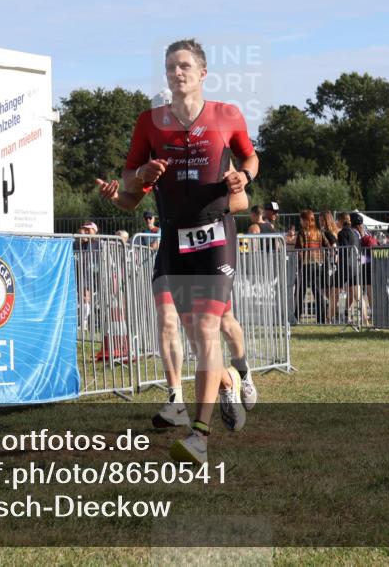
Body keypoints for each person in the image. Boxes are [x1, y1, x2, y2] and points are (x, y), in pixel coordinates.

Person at [122, 38, 259, 464]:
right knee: (194, 335)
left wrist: (243, 178)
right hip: (174, 239)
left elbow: (251, 159)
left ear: (202, 73)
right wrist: (142, 173)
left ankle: (199, 435)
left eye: (184, 66)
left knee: (206, 326)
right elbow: (128, 180)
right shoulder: (149, 122)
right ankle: (227, 382)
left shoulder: (227, 115)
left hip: (216, 235)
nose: (176, 73)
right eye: (170, 67)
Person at [94, 174, 258, 430]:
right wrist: (115, 196)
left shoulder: (214, 153)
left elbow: (240, 201)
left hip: (210, 246)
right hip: (171, 248)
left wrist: (199, 209)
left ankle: (240, 370)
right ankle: (177, 401)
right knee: (168, 321)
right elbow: (131, 200)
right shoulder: (159, 157)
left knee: (222, 324)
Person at [294, 209, 330, 324]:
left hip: (306, 264)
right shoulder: (319, 232)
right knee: (318, 292)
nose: (300, 222)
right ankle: (321, 319)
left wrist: (299, 262)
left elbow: (299, 249)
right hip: (318, 264)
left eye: (301, 219)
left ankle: (296, 317)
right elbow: (327, 245)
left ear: (306, 220)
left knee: (301, 292)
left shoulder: (302, 232)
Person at [320, 211, 342, 323]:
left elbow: (334, 246)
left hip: (330, 263)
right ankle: (335, 311)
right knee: (328, 289)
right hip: (331, 263)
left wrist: (333, 258)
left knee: (327, 289)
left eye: (321, 219)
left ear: (325, 220)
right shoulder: (332, 231)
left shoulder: (327, 232)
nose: (319, 221)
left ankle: (335, 311)